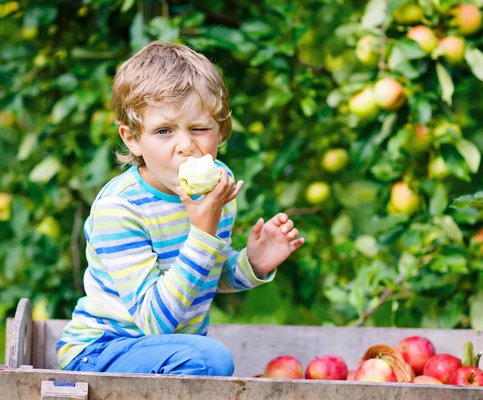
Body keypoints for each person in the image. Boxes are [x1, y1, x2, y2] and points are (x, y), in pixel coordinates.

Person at [55, 40, 305, 376]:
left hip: (169, 353)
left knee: (203, 358)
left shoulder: (219, 186)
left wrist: (252, 264)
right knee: (208, 360)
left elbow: (201, 277)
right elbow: (155, 321)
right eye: (163, 131)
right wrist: (202, 232)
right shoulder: (121, 208)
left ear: (221, 131)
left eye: (200, 129)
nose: (186, 146)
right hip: (102, 351)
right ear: (132, 138)